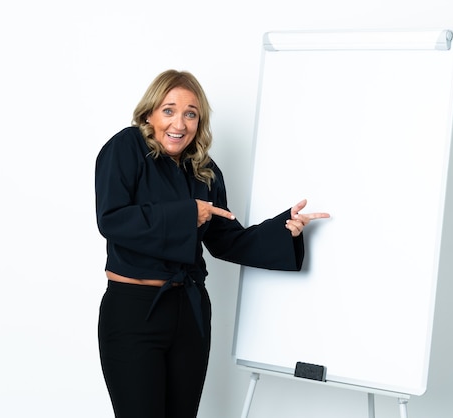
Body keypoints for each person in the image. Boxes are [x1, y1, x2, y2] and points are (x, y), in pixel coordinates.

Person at [95, 69, 330, 418]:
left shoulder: (204, 170)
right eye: (169, 109)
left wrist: (286, 229)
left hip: (189, 312)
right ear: (150, 114)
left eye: (191, 113)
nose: (179, 123)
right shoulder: (126, 147)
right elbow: (112, 219)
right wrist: (186, 214)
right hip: (134, 311)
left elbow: (226, 241)